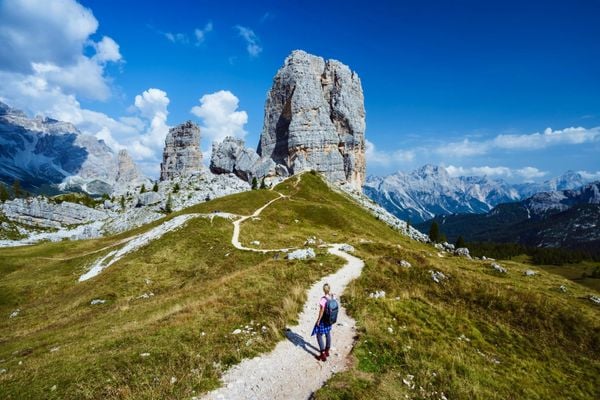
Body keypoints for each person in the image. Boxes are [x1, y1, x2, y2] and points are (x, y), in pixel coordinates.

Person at [314, 283, 333, 361]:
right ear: (329, 289)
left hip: (324, 319)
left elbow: (321, 311)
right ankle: (327, 351)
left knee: (319, 335)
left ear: (323, 290)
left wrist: (318, 320)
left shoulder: (323, 299)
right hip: (330, 319)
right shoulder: (332, 297)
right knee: (328, 333)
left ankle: (322, 354)